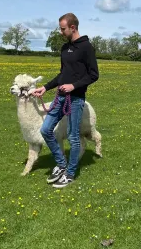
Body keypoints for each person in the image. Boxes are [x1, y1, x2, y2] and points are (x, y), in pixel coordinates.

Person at [30, 13, 99, 188]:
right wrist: (45, 87)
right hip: (60, 97)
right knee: (46, 130)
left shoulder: (86, 48)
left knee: (73, 137)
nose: (61, 32)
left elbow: (94, 75)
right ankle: (61, 165)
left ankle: (70, 173)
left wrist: (73, 86)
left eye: (63, 29)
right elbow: (63, 74)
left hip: (75, 99)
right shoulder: (64, 49)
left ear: (72, 27)